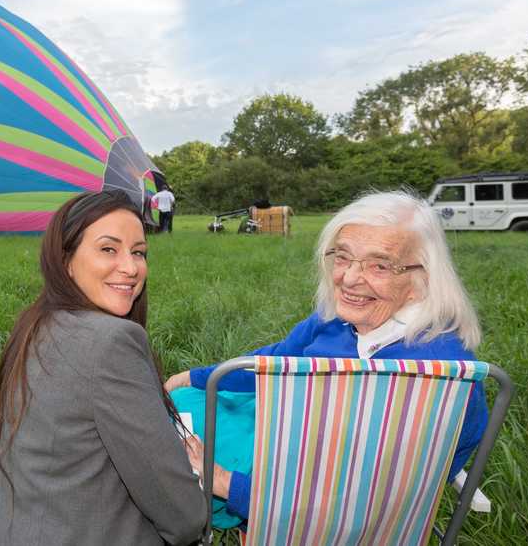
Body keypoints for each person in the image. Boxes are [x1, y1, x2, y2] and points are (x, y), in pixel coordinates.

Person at [165, 190, 488, 522]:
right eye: (343, 257)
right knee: (184, 401)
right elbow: (275, 361)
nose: (348, 279)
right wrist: (195, 376)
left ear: (423, 279)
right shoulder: (334, 321)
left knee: (164, 455)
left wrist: (224, 483)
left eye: (379, 265)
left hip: (284, 486)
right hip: (280, 428)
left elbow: (363, 501)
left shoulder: (439, 378)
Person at [0, 190, 207, 546]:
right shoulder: (110, 342)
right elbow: (184, 516)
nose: (131, 268)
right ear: (66, 259)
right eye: (108, 249)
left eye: (139, 252)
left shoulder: (34, 327)